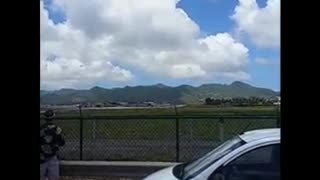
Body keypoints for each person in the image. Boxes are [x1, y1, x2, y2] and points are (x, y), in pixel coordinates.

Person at [40, 109, 65, 180]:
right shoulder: (57, 129)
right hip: (52, 156)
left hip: (41, 157)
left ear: (45, 118)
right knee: (53, 177)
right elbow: (62, 142)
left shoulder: (41, 129)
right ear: (53, 118)